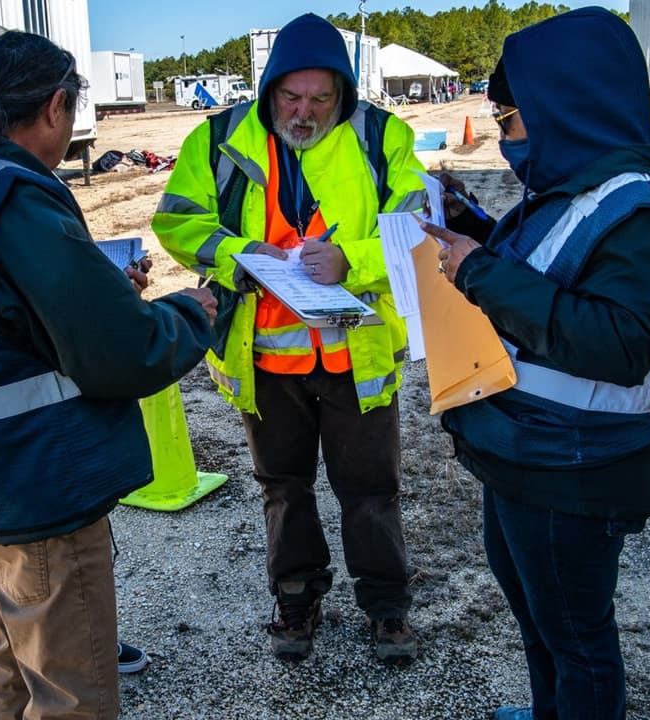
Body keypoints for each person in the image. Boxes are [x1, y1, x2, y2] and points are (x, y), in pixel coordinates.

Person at [0, 31, 215, 719]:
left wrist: (97, 291)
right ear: (55, 106)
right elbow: (125, 352)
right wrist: (193, 309)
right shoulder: (12, 197)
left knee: (7, 672)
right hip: (37, 494)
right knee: (73, 692)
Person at [423, 8, 650, 719]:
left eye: (510, 121)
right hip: (526, 449)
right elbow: (555, 277)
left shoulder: (637, 208)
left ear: (562, 106)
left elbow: (618, 342)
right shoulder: (581, 188)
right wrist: (477, 232)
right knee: (538, 618)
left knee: (578, 639)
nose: (504, 141)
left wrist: (479, 275)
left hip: (574, 466)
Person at [153, 13, 427, 665]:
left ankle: (387, 609)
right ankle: (297, 603)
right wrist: (239, 252)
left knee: (371, 489)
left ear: (344, 95)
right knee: (283, 488)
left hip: (353, 356)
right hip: (266, 359)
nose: (303, 113)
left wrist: (349, 262)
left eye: (320, 100)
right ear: (269, 87)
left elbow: (416, 225)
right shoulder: (219, 138)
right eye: (289, 97)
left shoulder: (382, 137)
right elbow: (178, 220)